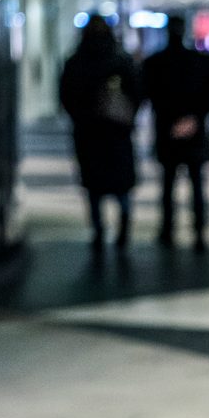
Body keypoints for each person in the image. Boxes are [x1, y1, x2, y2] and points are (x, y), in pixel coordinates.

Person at [57, 17, 142, 255]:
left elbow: (66, 97)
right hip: (116, 133)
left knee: (94, 189)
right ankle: (123, 230)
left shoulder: (76, 62)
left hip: (89, 134)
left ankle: (99, 231)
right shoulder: (120, 60)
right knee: (121, 187)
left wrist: (84, 116)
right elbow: (137, 94)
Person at [142, 13, 209, 252]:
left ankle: (168, 229)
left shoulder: (156, 62)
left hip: (168, 131)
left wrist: (174, 121)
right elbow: (208, 96)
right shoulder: (199, 61)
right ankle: (199, 231)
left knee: (169, 183)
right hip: (191, 131)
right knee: (195, 184)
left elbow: (151, 95)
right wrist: (193, 119)